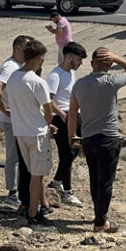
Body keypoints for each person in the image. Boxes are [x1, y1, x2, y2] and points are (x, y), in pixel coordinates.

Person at [69, 48, 126, 233]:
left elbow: (73, 114)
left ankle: (99, 214)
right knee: (106, 182)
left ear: (92, 64)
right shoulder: (111, 81)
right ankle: (100, 222)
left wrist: (72, 136)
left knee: (95, 178)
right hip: (108, 137)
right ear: (109, 65)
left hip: (88, 138)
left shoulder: (79, 85)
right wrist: (117, 57)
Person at [6, 38, 57, 223]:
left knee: (34, 172)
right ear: (38, 59)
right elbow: (48, 111)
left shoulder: (13, 78)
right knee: (37, 175)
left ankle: (40, 205)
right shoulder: (37, 82)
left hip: (21, 132)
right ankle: (34, 213)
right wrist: (47, 123)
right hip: (37, 133)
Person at [0, 36, 32, 206]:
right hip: (12, 121)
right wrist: (5, 110)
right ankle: (12, 193)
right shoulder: (10, 67)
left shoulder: (19, 66)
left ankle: (20, 191)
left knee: (22, 156)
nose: (29, 53)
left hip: (18, 119)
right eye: (26, 49)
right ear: (17, 48)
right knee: (14, 157)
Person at [45, 41, 87, 207]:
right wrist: (62, 114)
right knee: (65, 153)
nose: (80, 63)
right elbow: (48, 98)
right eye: (78, 59)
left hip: (74, 114)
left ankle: (57, 181)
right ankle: (67, 192)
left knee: (75, 150)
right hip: (61, 117)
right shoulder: (55, 75)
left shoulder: (71, 74)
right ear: (69, 57)